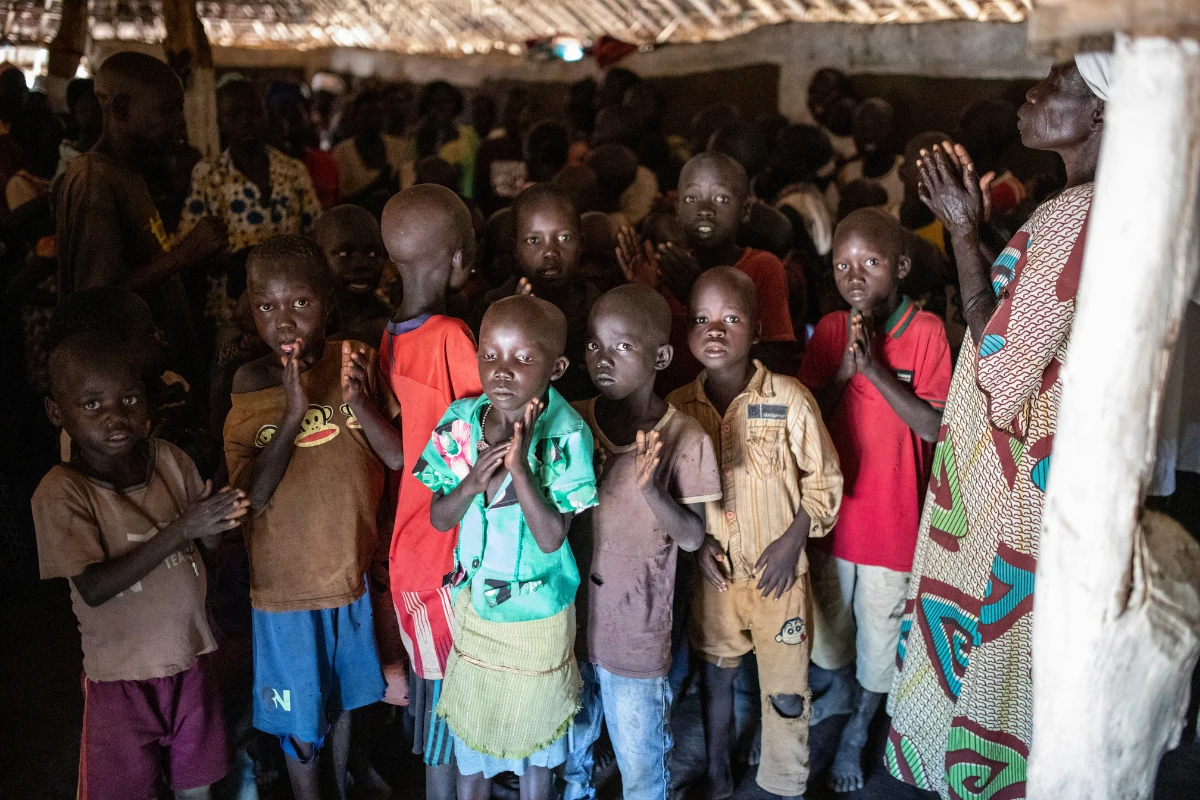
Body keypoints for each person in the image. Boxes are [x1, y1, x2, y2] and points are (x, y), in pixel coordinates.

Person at [885, 56, 1108, 798]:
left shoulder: (1074, 214)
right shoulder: (1090, 207)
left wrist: (959, 232)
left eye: (1057, 85)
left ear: (1101, 113)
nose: (1033, 95)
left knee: (992, 651)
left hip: (1017, 476)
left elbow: (999, 361)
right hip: (1053, 461)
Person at [223, 235, 404, 799]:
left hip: (348, 578)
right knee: (302, 722)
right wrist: (295, 411)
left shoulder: (356, 360)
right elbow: (251, 494)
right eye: (266, 305)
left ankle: (342, 786)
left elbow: (397, 455)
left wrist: (358, 405)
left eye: (299, 303)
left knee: (344, 701)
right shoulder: (250, 385)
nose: (283, 321)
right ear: (249, 310)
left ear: (326, 302)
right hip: (286, 591)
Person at [33, 332, 250, 800]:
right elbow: (93, 586)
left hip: (192, 657)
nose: (114, 415)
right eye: (91, 405)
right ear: (57, 413)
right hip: (120, 679)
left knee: (200, 784)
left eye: (128, 399)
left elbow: (202, 549)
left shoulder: (169, 460)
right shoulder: (61, 492)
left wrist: (215, 521)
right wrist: (183, 528)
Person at [667, 267, 842, 800]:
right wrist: (696, 553)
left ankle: (786, 781)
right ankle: (719, 775)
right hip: (716, 579)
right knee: (714, 681)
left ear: (759, 328)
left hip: (780, 582)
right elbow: (671, 498)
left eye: (732, 318)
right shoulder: (676, 408)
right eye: (701, 319)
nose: (714, 331)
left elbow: (825, 481)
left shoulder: (789, 400)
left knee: (787, 692)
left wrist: (794, 541)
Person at [414, 294, 598, 800]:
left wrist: (520, 469)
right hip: (476, 612)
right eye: (491, 354)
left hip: (539, 618)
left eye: (523, 358)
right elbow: (437, 516)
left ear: (557, 367)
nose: (501, 370)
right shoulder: (461, 422)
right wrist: (471, 482)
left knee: (537, 756)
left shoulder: (567, 435)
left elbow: (551, 536)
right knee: (472, 747)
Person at [797, 208, 951, 794]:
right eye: (842, 264)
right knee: (832, 627)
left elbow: (935, 427)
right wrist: (843, 369)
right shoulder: (833, 328)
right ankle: (843, 691)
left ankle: (862, 727)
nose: (854, 274)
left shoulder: (928, 332)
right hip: (836, 516)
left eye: (872, 262)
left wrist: (879, 373)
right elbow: (809, 414)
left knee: (881, 638)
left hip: (892, 521)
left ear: (902, 266)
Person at [562, 284, 721, 800]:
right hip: (571, 623)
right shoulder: (572, 421)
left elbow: (694, 537)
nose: (602, 360)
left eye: (622, 347)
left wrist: (652, 491)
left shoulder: (686, 437)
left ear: (662, 356)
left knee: (641, 765)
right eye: (593, 345)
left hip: (636, 633)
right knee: (572, 751)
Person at [377, 184, 483, 799]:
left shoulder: (393, 335)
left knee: (436, 699)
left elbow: (402, 451)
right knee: (452, 710)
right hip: (445, 554)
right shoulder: (449, 336)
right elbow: (490, 414)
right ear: (459, 260)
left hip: (410, 551)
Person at [56, 51, 227, 382]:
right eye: (168, 110)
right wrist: (184, 255)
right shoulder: (96, 178)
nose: (180, 121)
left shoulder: (128, 172)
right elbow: (97, 299)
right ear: (120, 108)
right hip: (118, 382)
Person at [618, 151, 797, 391]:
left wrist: (695, 293)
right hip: (674, 408)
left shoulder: (763, 267)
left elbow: (776, 362)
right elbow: (638, 359)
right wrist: (642, 295)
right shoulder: (665, 270)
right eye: (692, 199)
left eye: (721, 199)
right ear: (678, 210)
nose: (705, 209)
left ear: (744, 210)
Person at [480, 182, 599, 401]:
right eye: (534, 240)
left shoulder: (599, 310)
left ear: (581, 243)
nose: (550, 252)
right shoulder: (492, 307)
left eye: (564, 238)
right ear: (516, 248)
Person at [180, 79, 321, 254]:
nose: (246, 121)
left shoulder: (293, 170)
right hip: (230, 279)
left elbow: (315, 232)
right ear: (219, 122)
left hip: (286, 279)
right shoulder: (208, 174)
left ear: (267, 115)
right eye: (234, 114)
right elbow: (192, 242)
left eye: (255, 112)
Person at [314, 204, 391, 345]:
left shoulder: (388, 328)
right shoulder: (307, 320)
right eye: (344, 254)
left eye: (373, 253)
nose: (361, 264)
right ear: (317, 257)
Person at [332, 89, 416, 202]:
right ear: (356, 116)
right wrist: (376, 185)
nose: (374, 119)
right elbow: (341, 199)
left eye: (378, 113)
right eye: (368, 114)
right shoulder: (342, 152)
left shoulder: (399, 147)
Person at [838, 98, 904, 212]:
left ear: (892, 129)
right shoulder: (847, 174)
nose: (869, 135)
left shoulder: (908, 171)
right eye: (862, 129)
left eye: (878, 127)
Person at [415, 81, 479, 199]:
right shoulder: (418, 136)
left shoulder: (468, 135)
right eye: (434, 103)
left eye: (445, 102)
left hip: (462, 201)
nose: (440, 107)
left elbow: (474, 171)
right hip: (425, 201)